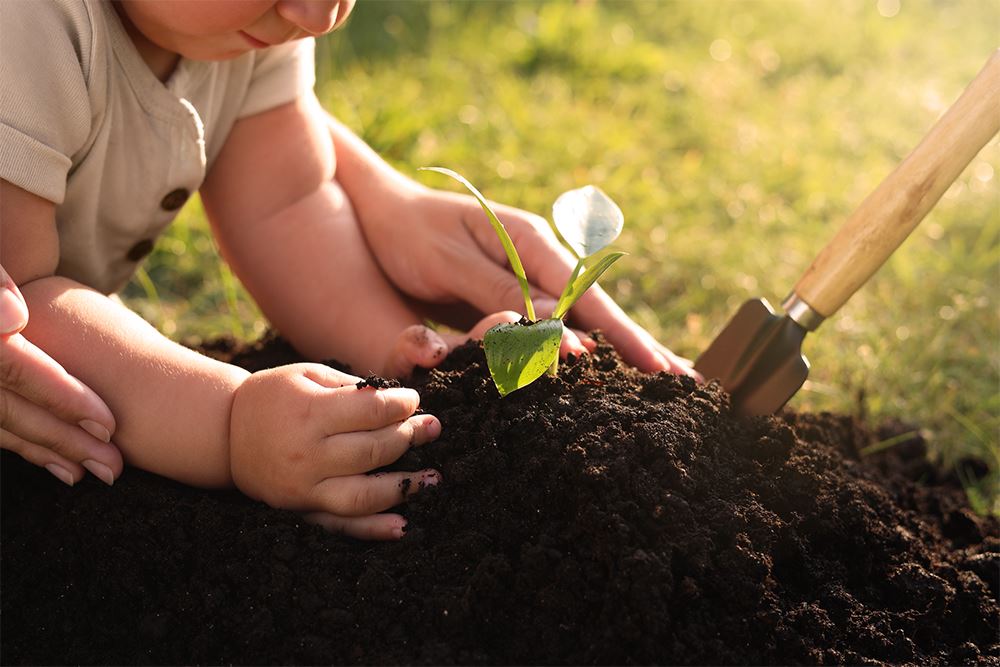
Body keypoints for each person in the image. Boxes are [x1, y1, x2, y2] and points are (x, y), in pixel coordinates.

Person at [0, 0, 697, 540]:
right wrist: (229, 421)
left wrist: (407, 360)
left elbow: (287, 207)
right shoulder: (27, 29)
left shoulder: (243, 26)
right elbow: (21, 308)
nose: (316, 14)